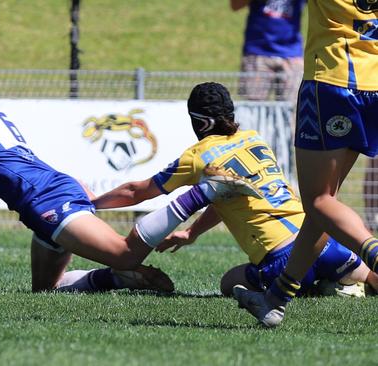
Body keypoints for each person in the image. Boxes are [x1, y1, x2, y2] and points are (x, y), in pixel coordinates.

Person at [0, 51, 253, 293]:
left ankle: (204, 193)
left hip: (46, 200)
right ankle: (116, 279)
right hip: (47, 195)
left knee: (126, 253)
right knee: (46, 290)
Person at [92, 81, 378, 299]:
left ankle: (312, 289)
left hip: (280, 259)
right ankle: (341, 283)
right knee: (368, 276)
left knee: (229, 282)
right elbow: (227, 197)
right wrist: (192, 233)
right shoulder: (255, 140)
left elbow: (136, 191)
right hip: (319, 240)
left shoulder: (198, 156)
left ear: (198, 122)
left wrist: (93, 203)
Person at [233, 1, 378, 327]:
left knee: (318, 200)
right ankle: (275, 300)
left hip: (333, 82)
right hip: (374, 82)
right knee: (324, 208)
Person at [231, 0, 306, 101]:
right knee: (253, 110)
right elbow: (235, 5)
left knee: (293, 110)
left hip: (292, 54)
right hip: (257, 53)